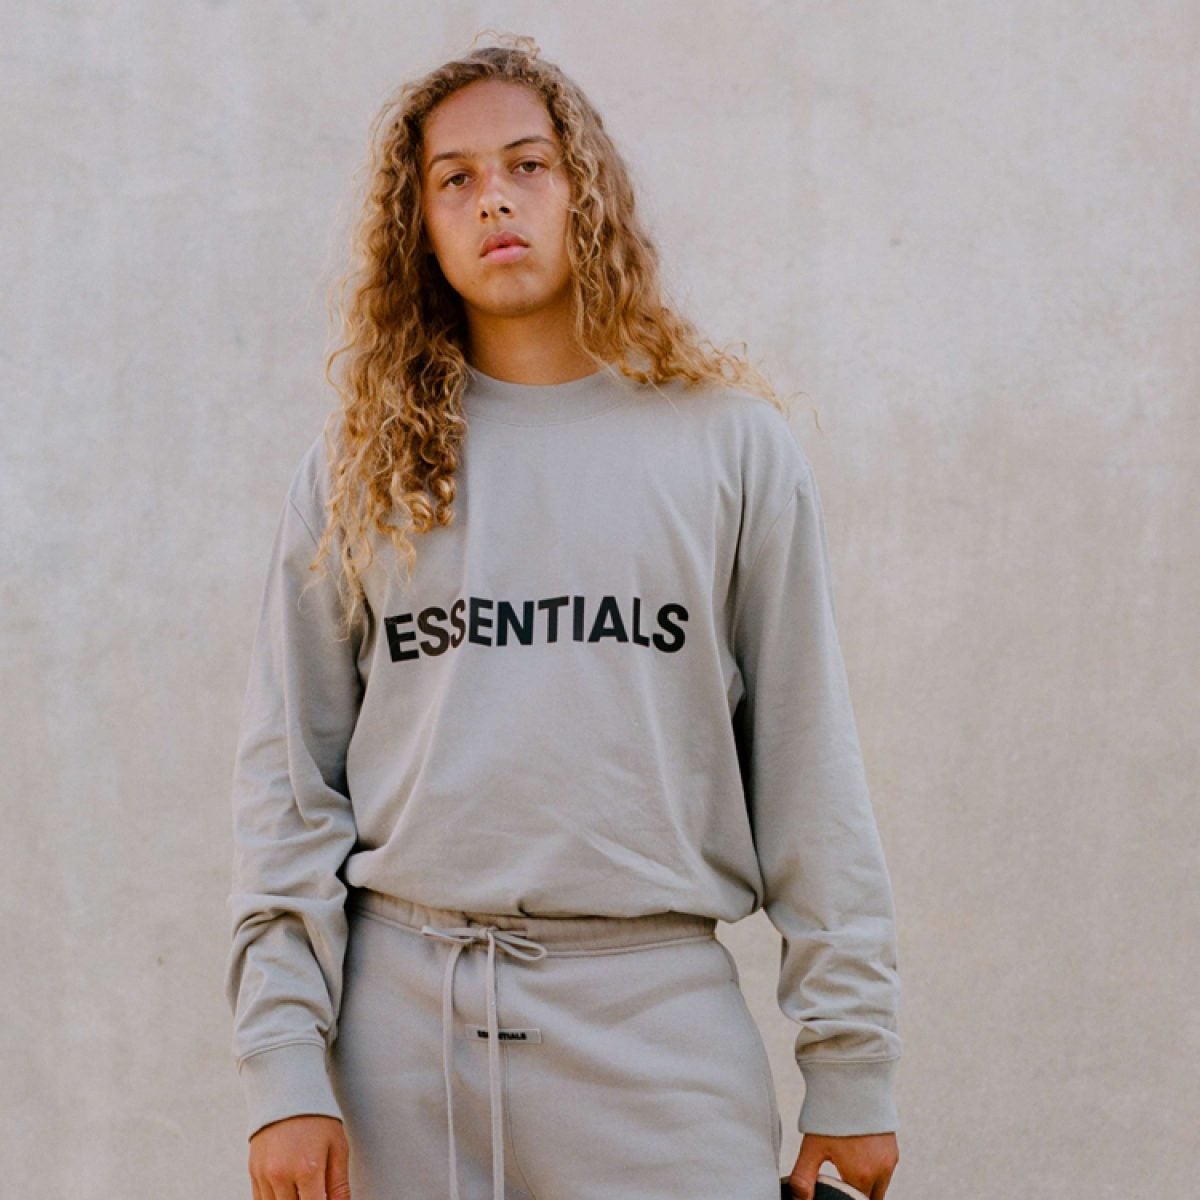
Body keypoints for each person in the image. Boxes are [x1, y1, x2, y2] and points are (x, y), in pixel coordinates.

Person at [224, 34, 902, 1200]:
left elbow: (809, 771)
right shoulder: (357, 468)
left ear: (585, 187)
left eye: (526, 164)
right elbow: (292, 785)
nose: (494, 198)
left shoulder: (729, 447)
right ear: (419, 226)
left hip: (656, 1032)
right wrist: (285, 1065)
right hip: (403, 1045)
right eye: (455, 178)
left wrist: (851, 1065)